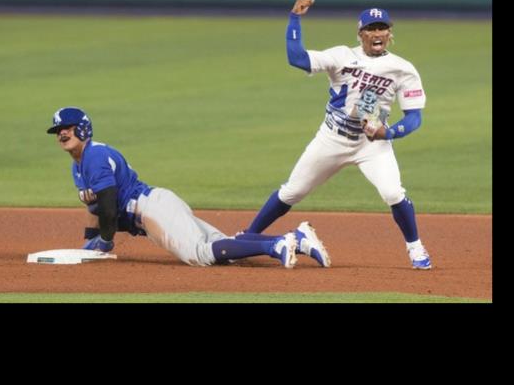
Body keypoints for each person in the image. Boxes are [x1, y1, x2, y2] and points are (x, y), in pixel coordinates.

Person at [241, 0, 432, 270]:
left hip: (371, 145)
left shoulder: (403, 69)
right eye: (371, 28)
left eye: (382, 28)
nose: (377, 33)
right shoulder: (342, 55)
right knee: (292, 192)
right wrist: (294, 18)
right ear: (360, 33)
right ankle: (248, 237)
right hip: (331, 139)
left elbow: (414, 117)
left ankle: (416, 249)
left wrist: (388, 133)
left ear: (390, 34)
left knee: (393, 192)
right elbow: (297, 58)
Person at [46, 106, 332, 268]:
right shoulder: (78, 165)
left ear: (83, 127)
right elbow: (94, 207)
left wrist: (105, 242)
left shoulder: (94, 156)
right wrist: (90, 240)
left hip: (150, 210)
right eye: (58, 130)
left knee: (201, 254)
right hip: (156, 205)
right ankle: (298, 238)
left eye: (67, 128)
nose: (62, 134)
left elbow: (108, 208)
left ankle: (277, 245)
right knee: (220, 245)